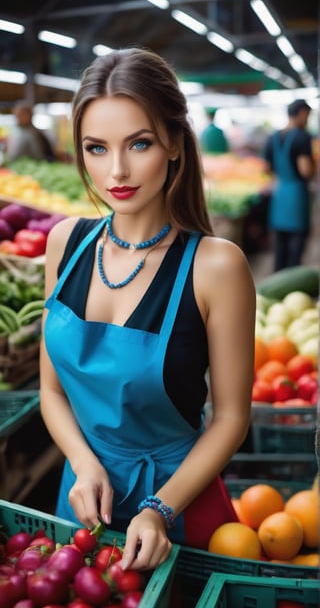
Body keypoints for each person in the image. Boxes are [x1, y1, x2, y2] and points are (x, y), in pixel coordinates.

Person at [40, 47, 256, 571]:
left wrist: (160, 508)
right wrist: (83, 462)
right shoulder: (63, 243)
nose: (116, 170)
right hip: (82, 497)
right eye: (96, 148)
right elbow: (51, 392)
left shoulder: (216, 266)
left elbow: (231, 418)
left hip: (178, 502)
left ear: (176, 144)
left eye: (139, 143)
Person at [263, 99, 315, 271]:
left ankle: (278, 277)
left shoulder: (272, 137)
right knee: (296, 245)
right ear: (301, 113)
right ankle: (292, 282)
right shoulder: (303, 137)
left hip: (280, 193)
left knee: (280, 245)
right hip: (297, 195)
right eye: (307, 115)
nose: (307, 120)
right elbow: (305, 170)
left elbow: (266, 168)